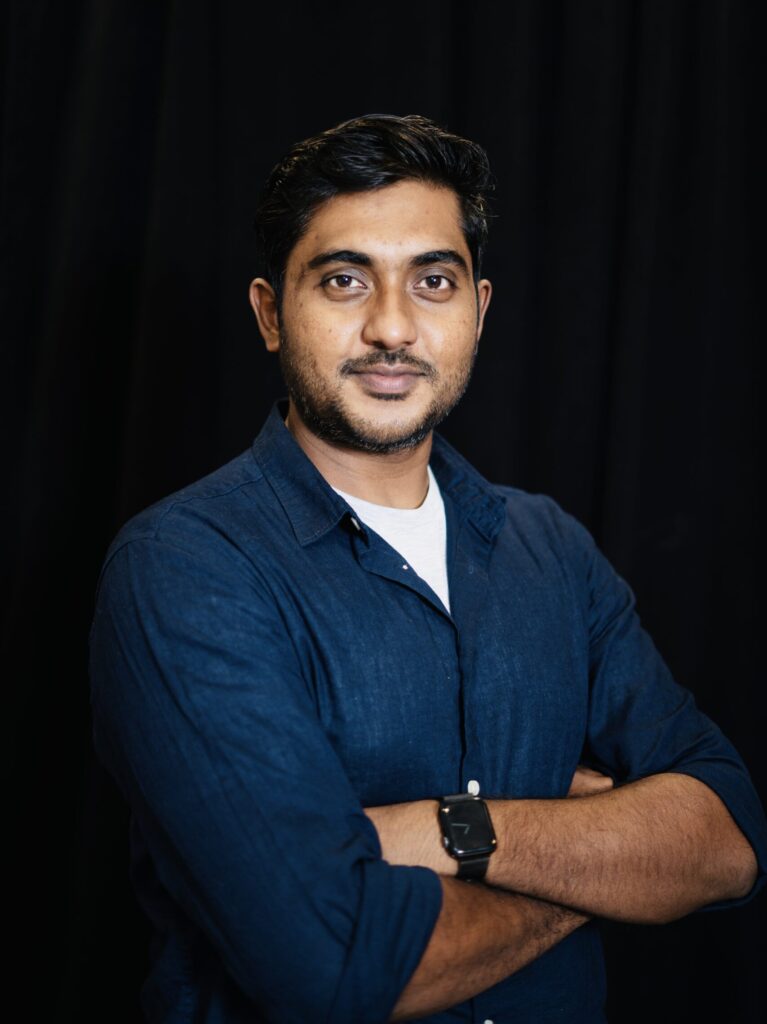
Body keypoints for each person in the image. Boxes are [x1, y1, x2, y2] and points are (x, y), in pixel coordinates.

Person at [89, 113, 766, 1024]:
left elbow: (726, 841)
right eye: (342, 281)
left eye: (433, 282)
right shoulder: (184, 568)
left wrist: (449, 832)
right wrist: (601, 854)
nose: (392, 328)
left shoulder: (549, 548)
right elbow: (337, 966)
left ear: (478, 311)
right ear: (267, 314)